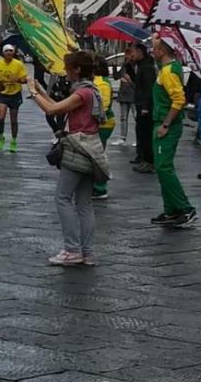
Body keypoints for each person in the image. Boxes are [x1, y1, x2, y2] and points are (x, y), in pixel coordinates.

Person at [29, 50, 109, 266]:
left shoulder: (82, 93)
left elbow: (53, 110)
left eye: (68, 68)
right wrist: (40, 89)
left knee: (62, 198)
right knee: (84, 203)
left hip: (77, 147)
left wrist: (34, 94)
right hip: (92, 147)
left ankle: (72, 250)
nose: (65, 71)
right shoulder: (91, 90)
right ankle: (87, 252)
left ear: (77, 69)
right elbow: (59, 104)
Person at [151, 36, 197, 227]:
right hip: (163, 122)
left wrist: (165, 125)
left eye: (154, 48)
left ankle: (185, 208)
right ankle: (171, 210)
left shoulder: (169, 71)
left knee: (164, 167)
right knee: (163, 168)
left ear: (162, 51)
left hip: (165, 124)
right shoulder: (168, 69)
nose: (152, 52)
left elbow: (179, 100)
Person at [0, 44, 28, 153]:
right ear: (3, 53)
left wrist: (18, 80)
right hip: (3, 94)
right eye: (6, 51)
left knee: (13, 120)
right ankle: (1, 136)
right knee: (1, 118)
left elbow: (25, 79)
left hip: (15, 94)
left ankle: (13, 140)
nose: (9, 53)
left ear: (14, 52)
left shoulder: (18, 64)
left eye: (11, 51)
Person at [128, 41, 157, 173]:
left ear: (140, 52)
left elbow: (148, 88)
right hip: (140, 104)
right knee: (141, 132)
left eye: (133, 52)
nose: (131, 55)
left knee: (146, 133)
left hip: (145, 107)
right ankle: (143, 158)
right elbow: (138, 84)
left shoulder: (147, 67)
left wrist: (145, 106)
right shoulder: (140, 66)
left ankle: (149, 161)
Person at [91, 56, 116, 200]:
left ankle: (100, 186)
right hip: (98, 122)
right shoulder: (95, 82)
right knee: (96, 154)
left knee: (98, 155)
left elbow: (104, 107)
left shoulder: (103, 84)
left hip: (103, 123)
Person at [115, 47, 136, 145]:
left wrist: (130, 80)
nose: (127, 57)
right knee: (123, 117)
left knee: (136, 117)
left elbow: (138, 83)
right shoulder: (124, 65)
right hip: (123, 94)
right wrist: (115, 67)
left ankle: (138, 139)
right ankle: (122, 137)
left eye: (129, 55)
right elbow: (116, 76)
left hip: (133, 95)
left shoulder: (135, 66)